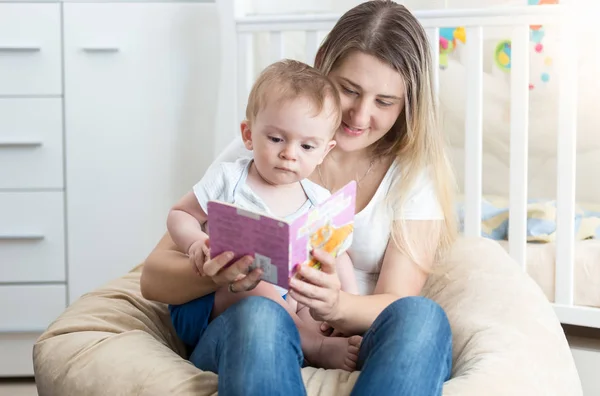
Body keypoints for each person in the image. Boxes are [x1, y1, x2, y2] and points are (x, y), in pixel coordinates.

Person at [141, 1, 458, 395]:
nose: (359, 116)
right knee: (260, 312)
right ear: (324, 64)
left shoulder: (413, 176)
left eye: (384, 102)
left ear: (407, 102)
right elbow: (153, 278)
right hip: (250, 325)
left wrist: (338, 306)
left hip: (349, 331)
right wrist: (211, 271)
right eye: (350, 90)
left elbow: (394, 300)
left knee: (423, 317)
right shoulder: (258, 153)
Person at [165, 58, 361, 371]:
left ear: (325, 151)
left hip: (286, 306)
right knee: (256, 280)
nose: (289, 153)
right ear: (248, 134)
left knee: (320, 272)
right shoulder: (228, 179)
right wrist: (195, 242)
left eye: (308, 146)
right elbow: (180, 213)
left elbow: (339, 256)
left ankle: (315, 333)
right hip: (213, 303)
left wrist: (344, 306)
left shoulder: (318, 201)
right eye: (276, 139)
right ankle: (313, 344)